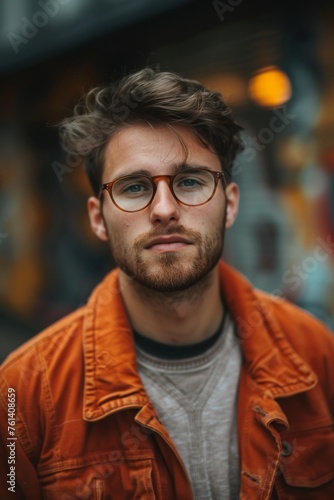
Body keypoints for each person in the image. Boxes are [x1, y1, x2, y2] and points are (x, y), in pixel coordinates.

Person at [0, 68, 333, 500]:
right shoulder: (20, 397)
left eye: (190, 181)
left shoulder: (316, 353)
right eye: (135, 187)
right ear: (98, 218)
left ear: (230, 205)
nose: (164, 209)